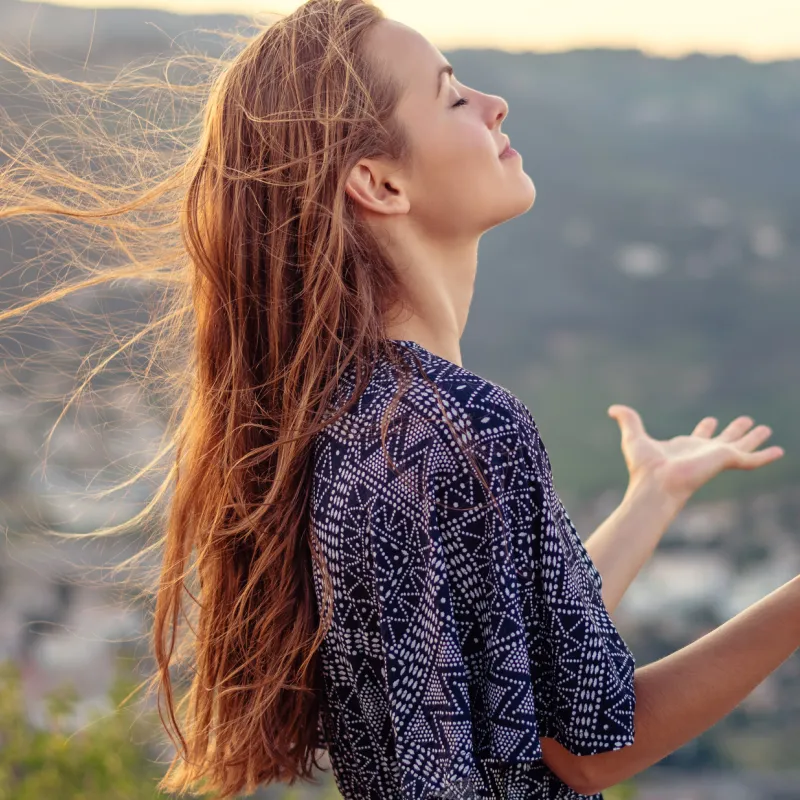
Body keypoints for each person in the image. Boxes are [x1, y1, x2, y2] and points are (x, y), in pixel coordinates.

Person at [0, 0, 795, 798]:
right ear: (378, 182)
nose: (495, 105)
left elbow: (514, 660)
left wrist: (651, 499)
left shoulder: (355, 425)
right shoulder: (464, 427)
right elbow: (592, 745)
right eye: (453, 95)